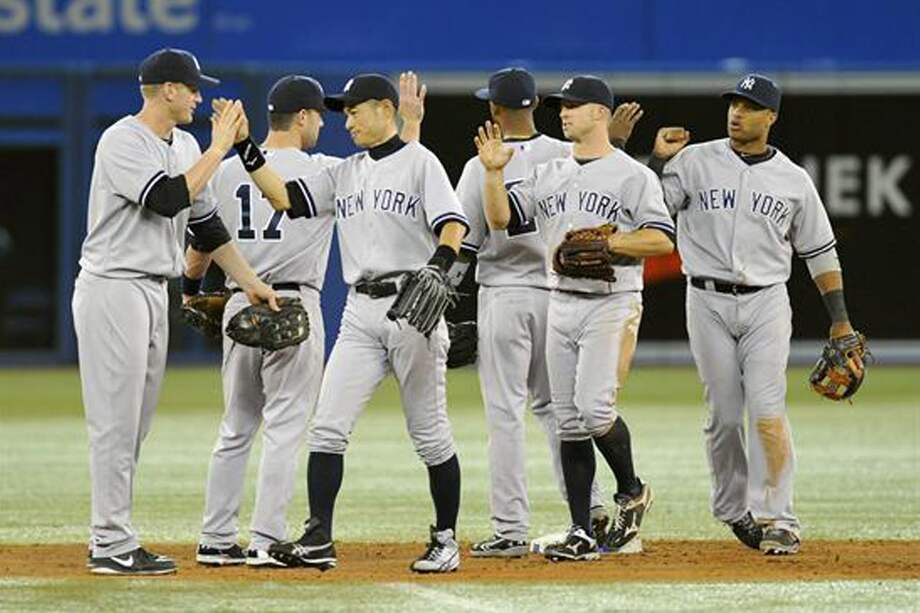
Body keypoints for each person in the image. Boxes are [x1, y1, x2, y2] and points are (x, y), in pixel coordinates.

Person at [215, 73, 468, 573]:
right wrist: (245, 147)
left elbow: (452, 224)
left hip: (413, 307)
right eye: (343, 111)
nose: (345, 119)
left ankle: (445, 538)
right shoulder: (344, 171)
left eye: (353, 110)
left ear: (382, 108)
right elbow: (283, 196)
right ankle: (318, 537)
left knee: (430, 433)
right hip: (359, 310)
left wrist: (438, 267)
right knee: (327, 429)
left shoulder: (422, 161)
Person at [73, 48, 278, 576]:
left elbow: (205, 227)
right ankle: (110, 542)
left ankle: (112, 535)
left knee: (135, 424)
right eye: (192, 88)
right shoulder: (122, 140)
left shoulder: (185, 143)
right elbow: (165, 199)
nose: (199, 97)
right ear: (167, 89)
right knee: (115, 422)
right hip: (113, 287)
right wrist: (219, 147)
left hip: (151, 290)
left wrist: (249, 281)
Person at [648, 74, 863, 555]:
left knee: (767, 412)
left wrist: (841, 319)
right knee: (724, 416)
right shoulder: (694, 160)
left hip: (767, 300)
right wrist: (659, 161)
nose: (737, 112)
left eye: (749, 106)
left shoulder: (792, 179)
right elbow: (653, 215)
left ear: (772, 117)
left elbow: (821, 254)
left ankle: (779, 518)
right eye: (733, 103)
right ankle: (732, 509)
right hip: (705, 299)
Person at [475, 75, 675, 561]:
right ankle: (582, 530)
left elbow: (662, 240)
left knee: (594, 410)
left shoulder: (633, 175)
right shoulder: (550, 173)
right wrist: (494, 173)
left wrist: (608, 244)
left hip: (613, 300)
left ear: (600, 114)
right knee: (568, 421)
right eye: (563, 105)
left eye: (576, 106)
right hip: (559, 299)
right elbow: (501, 221)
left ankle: (632, 490)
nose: (564, 112)